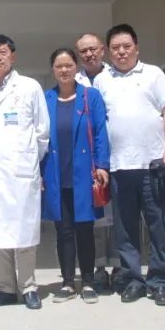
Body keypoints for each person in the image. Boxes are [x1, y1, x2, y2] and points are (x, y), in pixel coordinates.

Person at [94, 23, 165, 307]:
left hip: (153, 164)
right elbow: (99, 123)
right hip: (118, 167)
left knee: (159, 226)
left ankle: (160, 282)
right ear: (109, 52)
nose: (121, 52)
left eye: (126, 46)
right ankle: (132, 280)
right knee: (125, 229)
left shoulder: (153, 74)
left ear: (137, 48)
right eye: (115, 48)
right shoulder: (101, 81)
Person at [0, 34, 50, 311]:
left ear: (13, 56)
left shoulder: (29, 87)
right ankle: (4, 288)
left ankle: (29, 287)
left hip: (21, 172)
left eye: (3, 52)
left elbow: (42, 132)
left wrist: (28, 161)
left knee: (24, 232)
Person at [41, 48, 110, 304]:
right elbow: (38, 137)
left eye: (68, 65)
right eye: (59, 66)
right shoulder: (46, 99)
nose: (64, 70)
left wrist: (102, 165)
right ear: (53, 70)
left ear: (76, 67)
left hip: (84, 173)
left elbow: (101, 132)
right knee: (63, 231)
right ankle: (68, 283)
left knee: (85, 229)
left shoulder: (90, 97)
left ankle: (88, 282)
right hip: (55, 173)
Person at [74, 32, 117, 292]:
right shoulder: (75, 81)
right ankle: (99, 269)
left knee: (119, 216)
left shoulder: (116, 76)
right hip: (89, 160)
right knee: (96, 218)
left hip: (118, 157)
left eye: (93, 49)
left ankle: (121, 267)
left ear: (102, 50)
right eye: (83, 51)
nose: (89, 54)